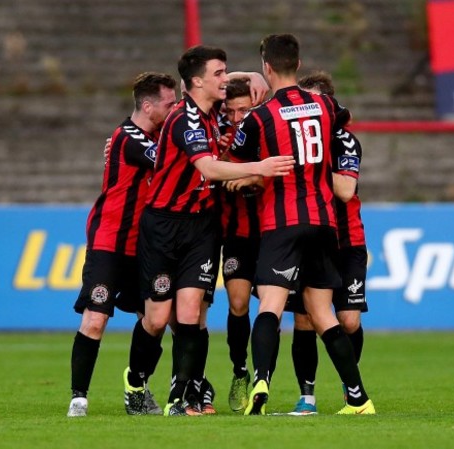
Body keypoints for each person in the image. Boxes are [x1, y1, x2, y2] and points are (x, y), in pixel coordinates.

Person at [124, 45, 295, 417]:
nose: (225, 79)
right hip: (164, 224)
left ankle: (182, 397)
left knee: (190, 312)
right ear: (197, 82)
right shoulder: (184, 120)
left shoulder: (213, 109)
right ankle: (135, 383)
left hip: (201, 227)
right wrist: (261, 168)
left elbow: (256, 80)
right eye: (218, 74)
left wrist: (245, 75)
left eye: (225, 72)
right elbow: (208, 168)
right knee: (155, 319)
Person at [229, 33, 375, 415]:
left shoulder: (261, 116)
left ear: (266, 67)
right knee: (323, 313)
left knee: (271, 307)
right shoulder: (325, 105)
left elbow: (242, 160)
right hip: (324, 222)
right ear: (299, 62)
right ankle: (358, 398)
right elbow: (343, 122)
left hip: (282, 220)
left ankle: (261, 379)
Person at [67, 72, 178, 417]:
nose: (174, 110)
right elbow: (172, 163)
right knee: (96, 319)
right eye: (169, 104)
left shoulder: (158, 134)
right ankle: (79, 398)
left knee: (156, 320)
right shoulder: (127, 137)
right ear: (147, 106)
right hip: (110, 240)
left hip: (144, 244)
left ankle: (137, 387)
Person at [287, 71, 370, 415]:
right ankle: (307, 397)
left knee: (348, 320)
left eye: (310, 102)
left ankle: (349, 386)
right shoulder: (295, 140)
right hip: (309, 238)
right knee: (305, 320)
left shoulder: (344, 141)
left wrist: (310, 165)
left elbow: (346, 190)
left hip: (347, 241)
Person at [217, 78, 261, 412]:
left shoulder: (266, 129)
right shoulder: (217, 138)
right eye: (230, 110)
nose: (235, 116)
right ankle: (240, 370)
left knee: (297, 311)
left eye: (243, 109)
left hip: (274, 232)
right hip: (236, 234)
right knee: (237, 303)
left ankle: (275, 380)